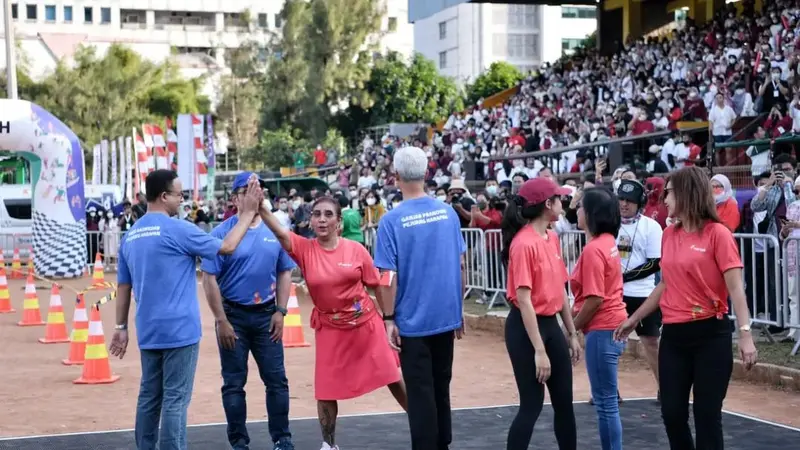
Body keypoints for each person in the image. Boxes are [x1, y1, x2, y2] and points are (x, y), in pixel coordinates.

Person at [110, 170, 262, 450]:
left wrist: (120, 328)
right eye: (179, 194)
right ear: (164, 196)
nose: (182, 200)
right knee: (175, 399)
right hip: (179, 329)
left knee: (149, 396)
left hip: (148, 328)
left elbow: (123, 287)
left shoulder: (130, 236)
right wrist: (247, 214)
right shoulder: (178, 229)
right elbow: (227, 247)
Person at [615, 167, 758, 450]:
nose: (664, 200)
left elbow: (735, 289)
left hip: (710, 335)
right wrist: (635, 318)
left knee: (707, 416)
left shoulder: (718, 234)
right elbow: (666, 283)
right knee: (672, 413)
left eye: (668, 193)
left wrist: (745, 334)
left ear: (685, 194)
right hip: (675, 337)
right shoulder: (669, 234)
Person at [258, 195, 407, 450]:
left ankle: (424, 425)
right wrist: (260, 208)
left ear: (339, 221)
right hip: (330, 328)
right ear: (310, 220)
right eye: (317, 214)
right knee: (326, 389)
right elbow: (282, 234)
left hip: (366, 325)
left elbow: (376, 286)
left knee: (393, 376)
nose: (322, 219)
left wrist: (389, 319)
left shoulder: (356, 250)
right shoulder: (305, 250)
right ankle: (328, 445)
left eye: (328, 214)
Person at [373, 146, 466, 450]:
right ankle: (444, 443)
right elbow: (459, 264)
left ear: (395, 176)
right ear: (426, 173)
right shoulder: (448, 213)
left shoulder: (391, 221)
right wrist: (458, 310)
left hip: (412, 322)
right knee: (442, 387)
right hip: (445, 317)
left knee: (420, 392)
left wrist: (388, 318)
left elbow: (387, 278)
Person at [200, 172, 296, 450]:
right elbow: (209, 279)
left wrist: (280, 310)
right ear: (235, 198)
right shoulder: (221, 233)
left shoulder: (275, 229)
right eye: (248, 188)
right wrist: (221, 320)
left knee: (276, 380)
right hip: (233, 317)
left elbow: (284, 272)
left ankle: (282, 439)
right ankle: (239, 443)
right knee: (233, 383)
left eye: (259, 187)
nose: (256, 192)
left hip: (267, 315)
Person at [501, 177, 581, 450]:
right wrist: (539, 350)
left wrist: (571, 333)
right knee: (532, 406)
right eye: (560, 199)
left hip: (550, 326)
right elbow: (524, 300)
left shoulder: (552, 237)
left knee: (564, 405)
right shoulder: (524, 244)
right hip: (526, 331)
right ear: (548, 204)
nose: (564, 203)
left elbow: (559, 290)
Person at [571, 187, 628, 450]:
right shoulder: (607, 243)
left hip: (602, 328)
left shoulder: (595, 249)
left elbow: (595, 299)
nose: (576, 210)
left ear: (591, 213)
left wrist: (571, 329)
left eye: (581, 206)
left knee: (605, 402)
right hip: (612, 325)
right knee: (607, 401)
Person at [616, 179, 663, 400]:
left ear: (640, 203)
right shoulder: (609, 222)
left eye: (630, 201)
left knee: (651, 343)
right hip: (614, 295)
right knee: (607, 344)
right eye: (621, 200)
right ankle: (608, 391)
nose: (624, 204)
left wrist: (625, 276)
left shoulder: (651, 226)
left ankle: (666, 390)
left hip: (643, 295)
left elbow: (655, 263)